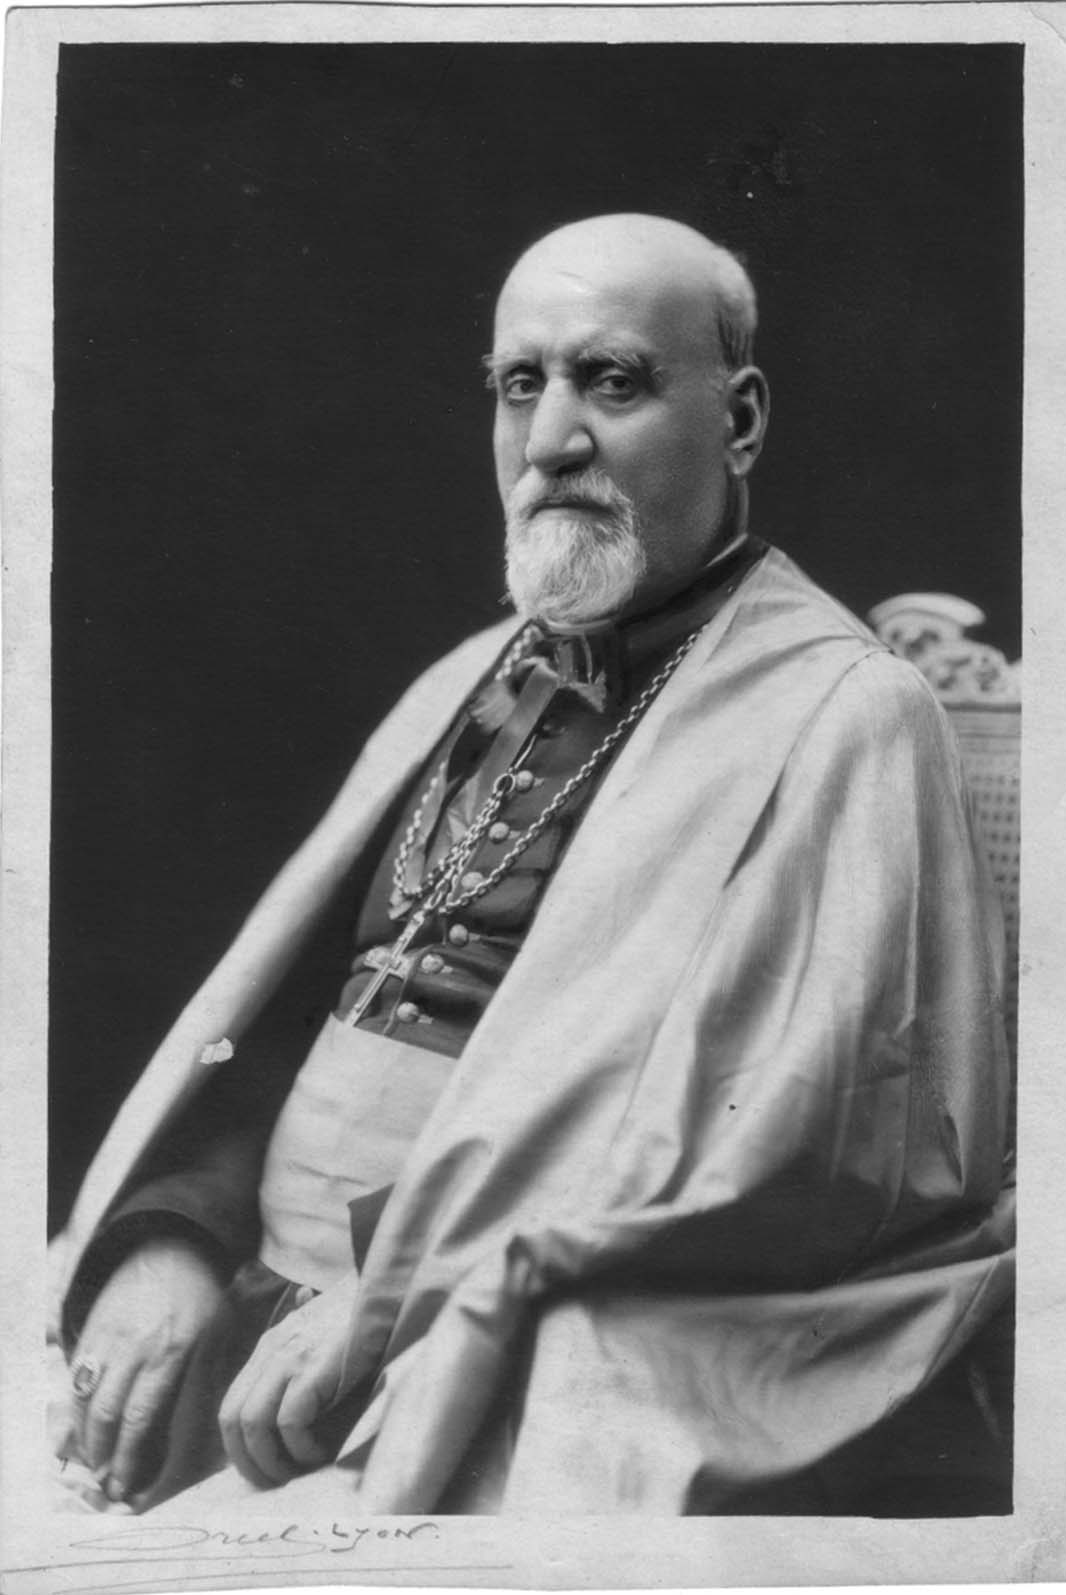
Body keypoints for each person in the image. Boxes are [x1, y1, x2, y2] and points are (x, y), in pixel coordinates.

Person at [49, 213, 1015, 1517]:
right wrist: (176, 1235)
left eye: (611, 382)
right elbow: (294, 1018)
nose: (552, 439)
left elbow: (821, 1158)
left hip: (507, 1344)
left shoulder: (849, 713)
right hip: (249, 1300)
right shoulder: (474, 673)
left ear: (739, 421)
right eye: (520, 385)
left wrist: (403, 1295)